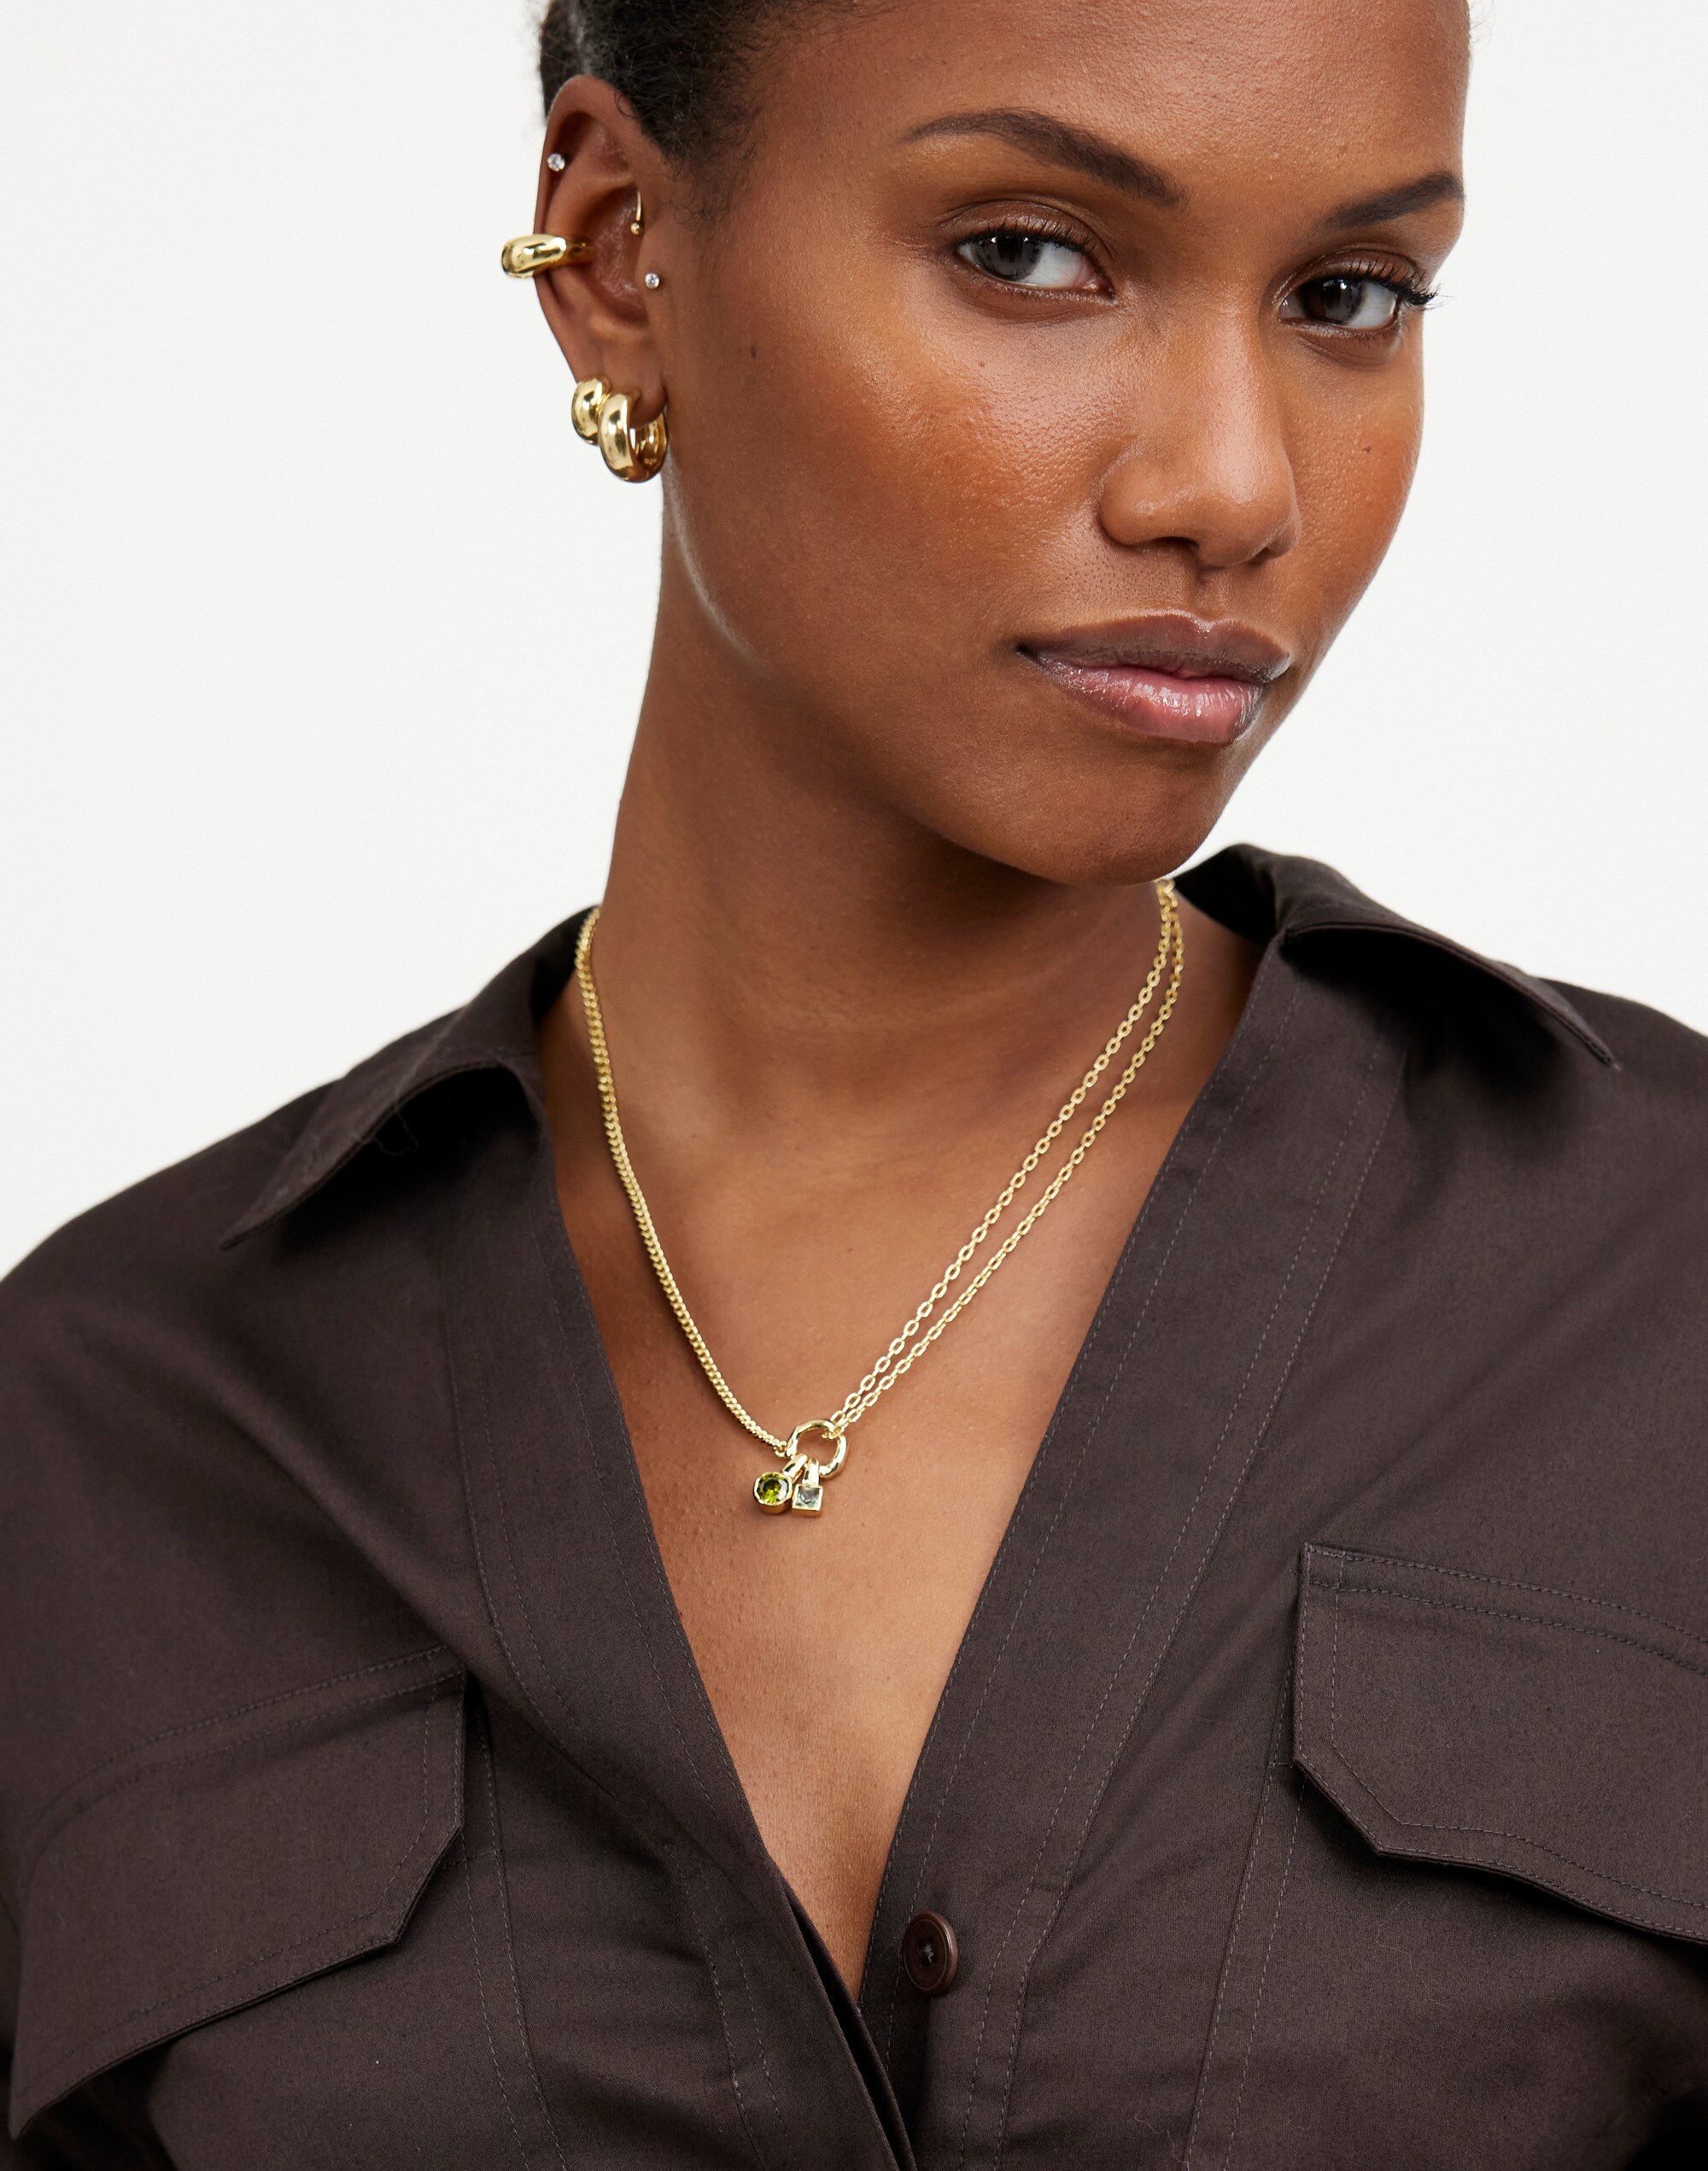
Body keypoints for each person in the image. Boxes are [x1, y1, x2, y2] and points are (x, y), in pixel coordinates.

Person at [3, 0, 1705, 2162]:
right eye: (1029, 253)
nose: (1232, 484)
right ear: (618, 252)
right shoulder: (103, 1436)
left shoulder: (1658, 1289)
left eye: (1349, 296)